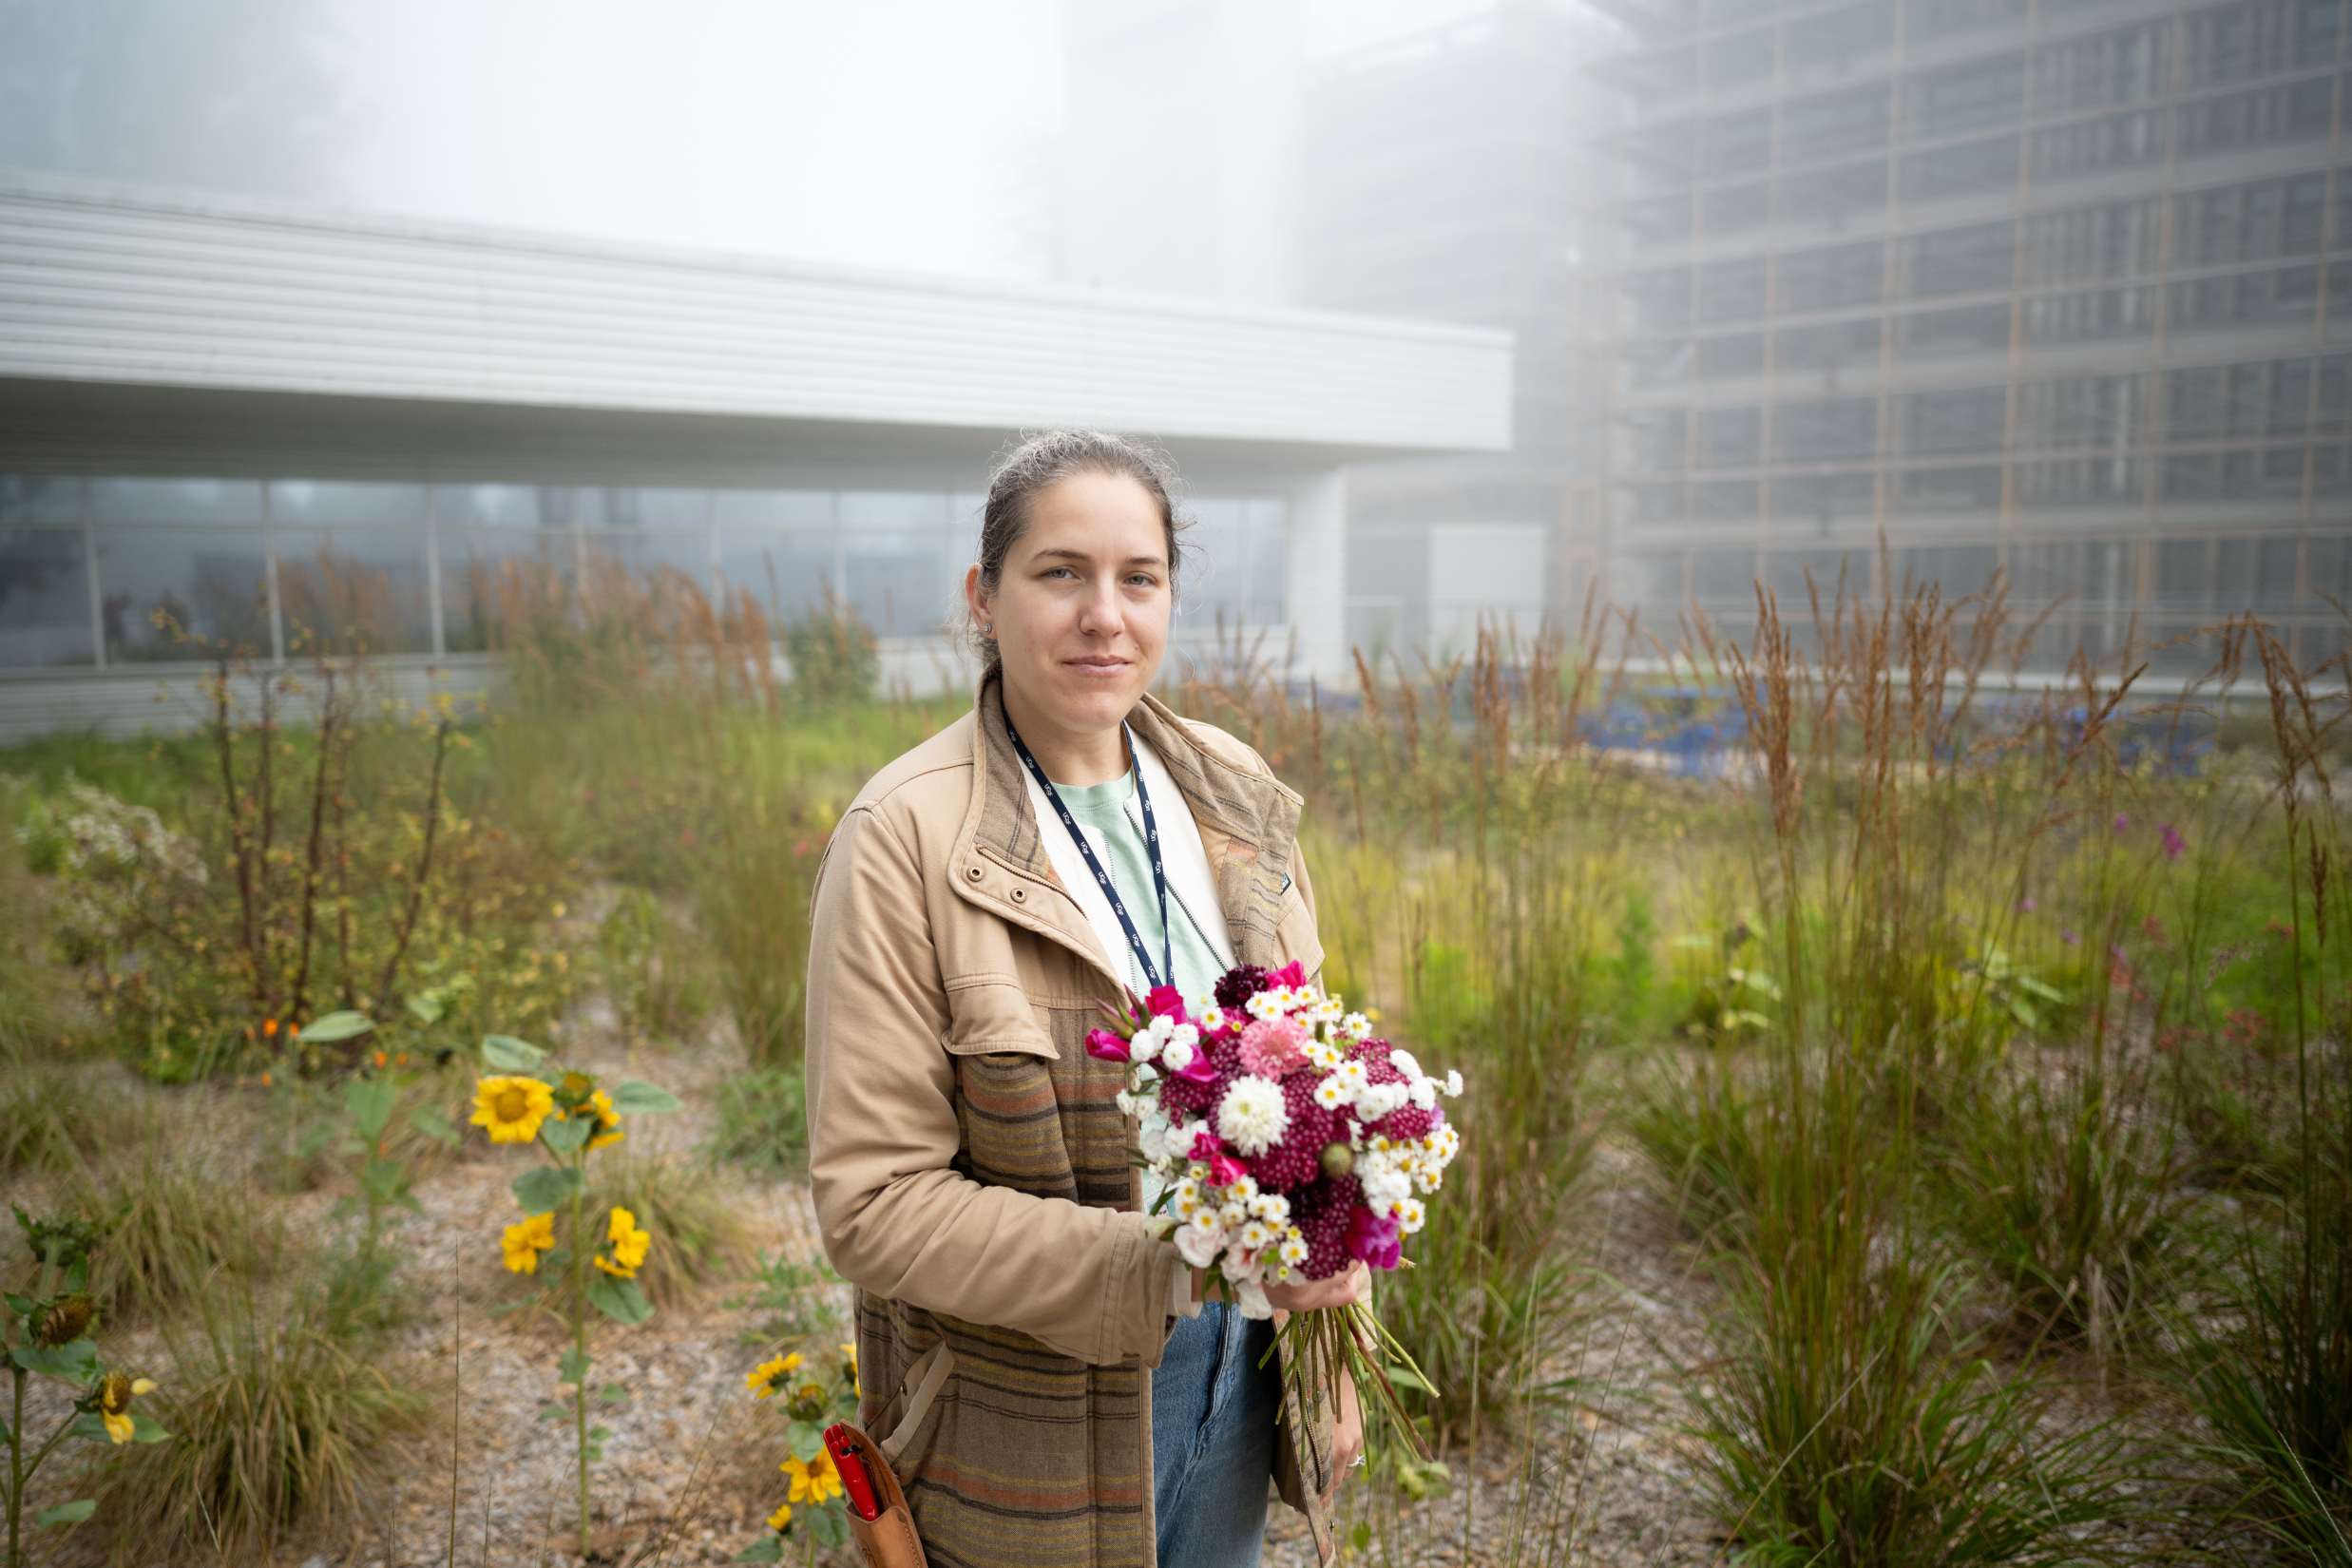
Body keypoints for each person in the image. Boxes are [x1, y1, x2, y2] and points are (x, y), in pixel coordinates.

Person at [804, 430, 1367, 1568]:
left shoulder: (1231, 790)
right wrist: (1173, 1263)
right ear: (984, 595)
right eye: (1060, 573)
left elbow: (1321, 1097)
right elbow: (874, 1201)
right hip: (1033, 1433)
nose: (1103, 614)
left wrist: (1334, 1345)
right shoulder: (903, 837)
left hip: (1249, 1377)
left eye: (1138, 577)